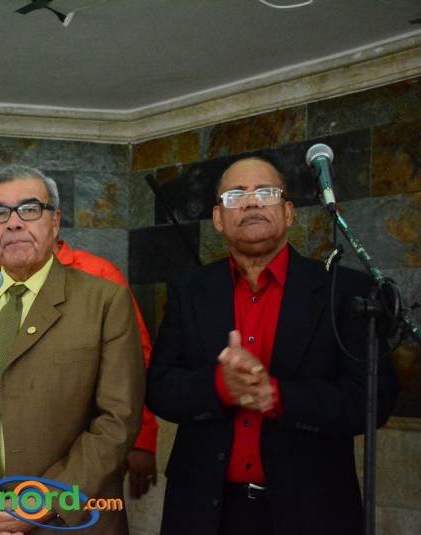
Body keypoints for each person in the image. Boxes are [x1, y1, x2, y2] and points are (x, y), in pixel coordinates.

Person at [146, 156, 400, 534]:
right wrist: (219, 386)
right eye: (236, 196)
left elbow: (373, 400)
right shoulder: (190, 291)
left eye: (265, 193)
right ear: (218, 219)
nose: (251, 202)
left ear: (288, 212)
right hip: (203, 510)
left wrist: (277, 396)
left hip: (312, 511)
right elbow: (159, 387)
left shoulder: (344, 292)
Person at [0, 164, 145, 534]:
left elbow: (118, 419)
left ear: (55, 222)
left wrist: (43, 501)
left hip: (68, 520)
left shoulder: (104, 302)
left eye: (29, 209)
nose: (14, 223)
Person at [53, 238, 159, 497]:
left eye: (28, 215)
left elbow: (135, 360)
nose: (15, 225)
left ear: (54, 221)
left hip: (92, 447)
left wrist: (142, 438)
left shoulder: (99, 272)